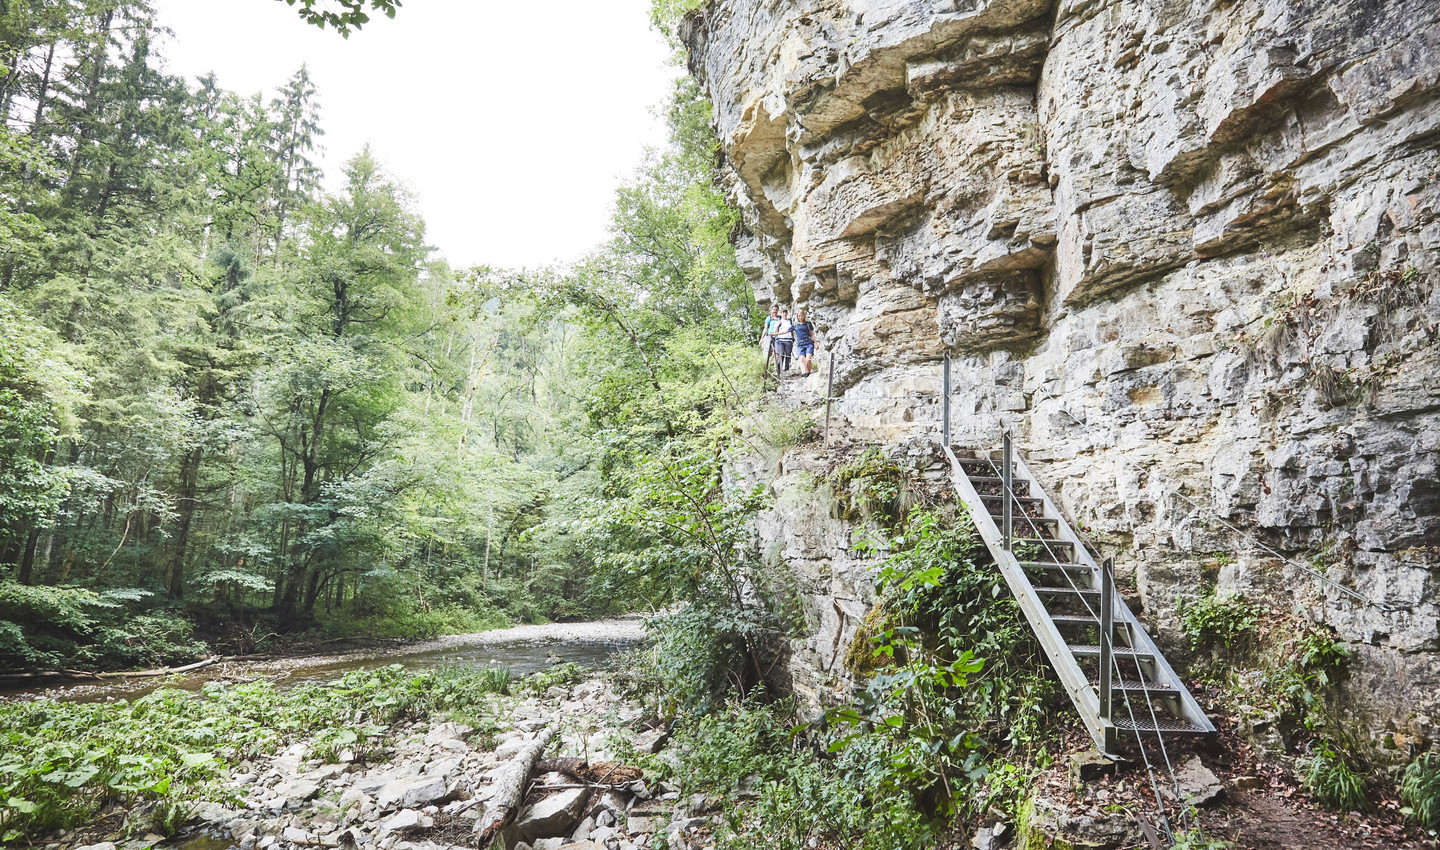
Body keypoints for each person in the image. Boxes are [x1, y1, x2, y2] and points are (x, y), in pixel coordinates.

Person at [792, 308, 815, 376]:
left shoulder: (808, 324)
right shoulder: (795, 325)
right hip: (800, 344)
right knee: (801, 359)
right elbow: (786, 331)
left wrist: (816, 343)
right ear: (797, 316)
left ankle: (808, 372)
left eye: (801, 315)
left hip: (809, 343)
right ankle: (804, 373)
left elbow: (812, 334)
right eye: (799, 316)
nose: (800, 317)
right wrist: (775, 333)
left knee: (808, 359)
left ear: (804, 316)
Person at [772, 308, 794, 375]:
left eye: (785, 312)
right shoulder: (778, 322)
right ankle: (779, 370)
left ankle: (787, 370)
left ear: (787, 314)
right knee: (781, 354)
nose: (784, 314)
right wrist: (777, 326)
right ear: (781, 314)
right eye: (783, 313)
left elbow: (792, 331)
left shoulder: (790, 321)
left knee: (788, 355)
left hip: (788, 339)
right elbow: (775, 332)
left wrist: (794, 338)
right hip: (780, 340)